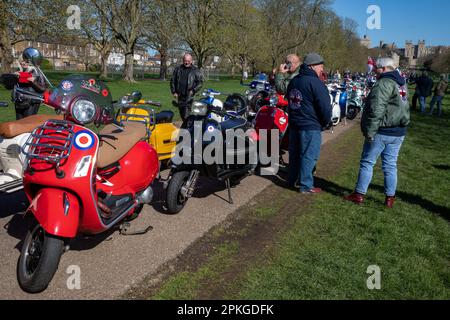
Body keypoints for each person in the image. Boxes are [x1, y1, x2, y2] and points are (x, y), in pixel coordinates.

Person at [344, 58, 410, 208]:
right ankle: (389, 198)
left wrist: (370, 132)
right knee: (390, 165)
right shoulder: (402, 82)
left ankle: (359, 194)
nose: (374, 70)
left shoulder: (384, 83)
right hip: (398, 131)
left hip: (383, 130)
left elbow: (376, 109)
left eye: (377, 68)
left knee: (367, 162)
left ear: (384, 68)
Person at [286, 53, 332, 194]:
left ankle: (291, 180)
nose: (321, 69)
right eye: (320, 66)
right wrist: (325, 122)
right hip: (310, 125)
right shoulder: (316, 83)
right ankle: (306, 185)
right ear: (312, 66)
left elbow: (290, 100)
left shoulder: (294, 80)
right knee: (309, 155)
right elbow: (324, 107)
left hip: (294, 124)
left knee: (294, 154)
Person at [170, 53, 204, 121]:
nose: (187, 62)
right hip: (180, 95)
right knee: (182, 112)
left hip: (189, 96)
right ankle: (186, 125)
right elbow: (172, 81)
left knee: (186, 114)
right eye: (185, 60)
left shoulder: (196, 70)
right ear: (183, 60)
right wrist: (174, 92)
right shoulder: (178, 69)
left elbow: (200, 82)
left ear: (191, 61)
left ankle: (187, 128)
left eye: (188, 61)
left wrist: (193, 90)